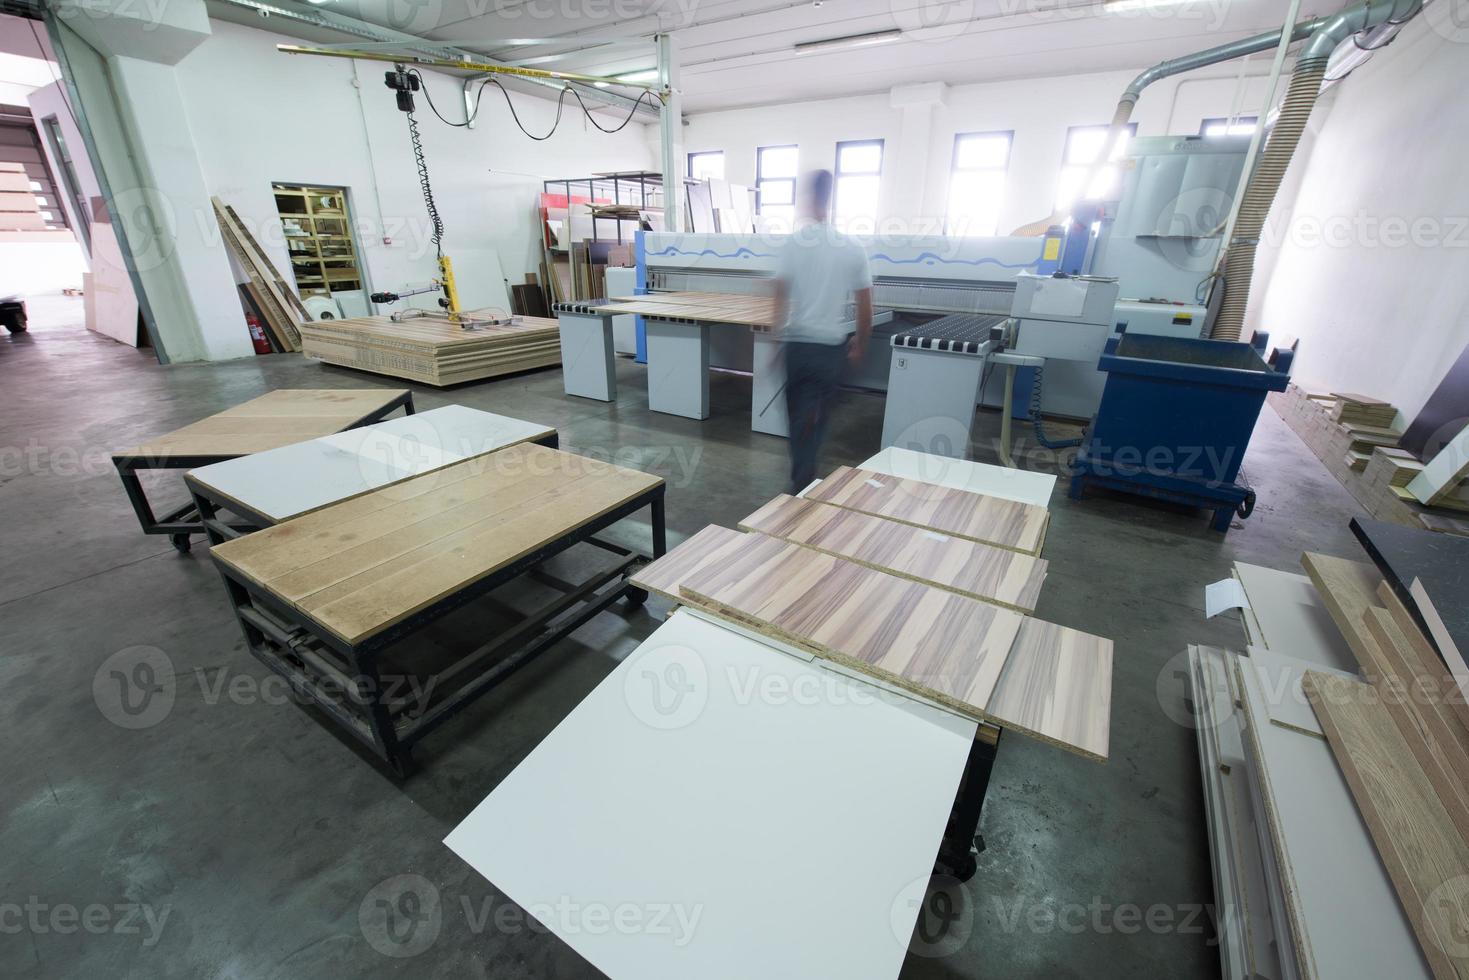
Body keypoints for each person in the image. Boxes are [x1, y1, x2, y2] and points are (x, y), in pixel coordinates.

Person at [771, 169, 874, 494]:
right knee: (814, 418)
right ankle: (803, 480)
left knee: (798, 417)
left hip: (797, 348)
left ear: (810, 197)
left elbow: (780, 294)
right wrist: (861, 342)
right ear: (830, 198)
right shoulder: (851, 247)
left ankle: (801, 479)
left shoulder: (792, 244)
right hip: (829, 350)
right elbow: (865, 303)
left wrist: (775, 341)